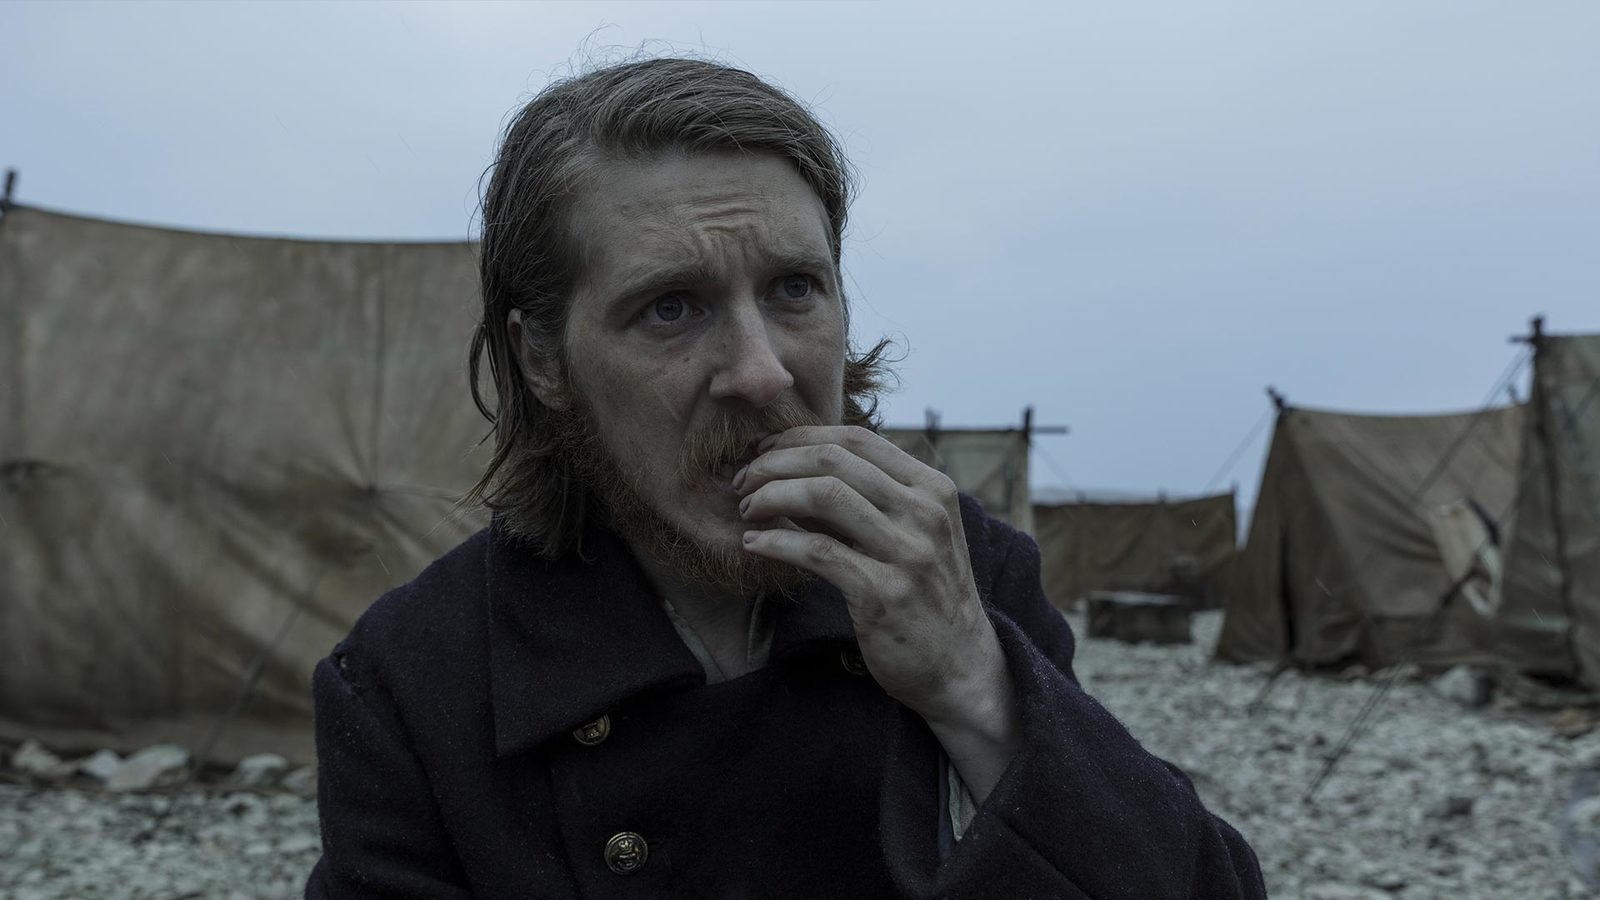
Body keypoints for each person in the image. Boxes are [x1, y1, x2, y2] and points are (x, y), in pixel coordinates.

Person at [306, 56, 1266, 899]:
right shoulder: (413, 678)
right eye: (671, 308)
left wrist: (978, 686)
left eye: (794, 290)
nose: (762, 372)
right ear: (545, 362)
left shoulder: (967, 570)